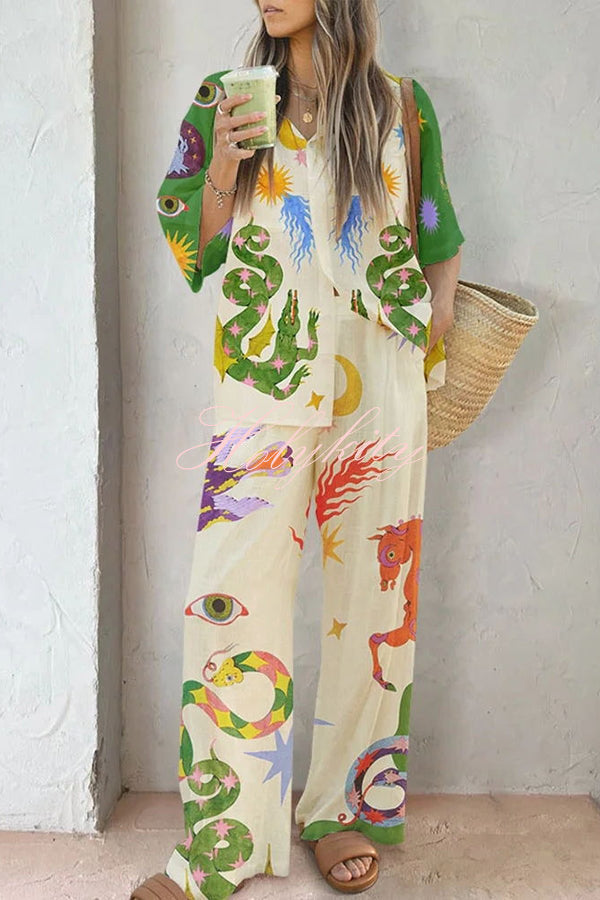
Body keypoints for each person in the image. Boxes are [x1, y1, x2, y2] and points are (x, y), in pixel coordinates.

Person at [134, 1, 464, 897]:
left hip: (379, 383)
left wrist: (433, 325)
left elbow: (436, 234)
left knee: (374, 605)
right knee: (229, 604)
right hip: (261, 381)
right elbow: (193, 247)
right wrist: (224, 167)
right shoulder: (227, 99)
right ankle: (225, 837)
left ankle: (341, 810)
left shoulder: (402, 107)